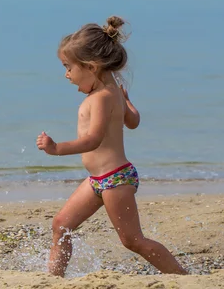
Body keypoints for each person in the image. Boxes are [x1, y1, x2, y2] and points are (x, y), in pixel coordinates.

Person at [36, 16, 187, 277]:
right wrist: (128, 102)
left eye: (68, 67)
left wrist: (56, 148)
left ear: (91, 67)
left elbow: (93, 140)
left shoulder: (102, 98)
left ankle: (182, 277)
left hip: (115, 179)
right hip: (98, 179)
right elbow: (134, 122)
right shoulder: (113, 92)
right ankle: (54, 279)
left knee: (132, 240)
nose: (66, 75)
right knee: (61, 224)